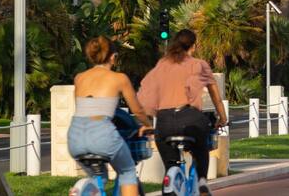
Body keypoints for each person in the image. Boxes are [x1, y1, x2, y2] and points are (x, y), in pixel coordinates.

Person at [139, 30, 228, 194]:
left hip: (164, 121)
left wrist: (148, 121)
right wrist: (222, 118)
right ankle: (202, 181)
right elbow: (216, 96)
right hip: (191, 118)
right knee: (201, 148)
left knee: (170, 164)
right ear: (193, 46)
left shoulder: (162, 64)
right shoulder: (199, 64)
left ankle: (170, 178)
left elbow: (146, 90)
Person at [68, 37, 151, 196]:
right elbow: (138, 110)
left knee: (99, 177)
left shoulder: (80, 78)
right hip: (102, 136)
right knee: (127, 172)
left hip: (75, 138)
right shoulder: (119, 78)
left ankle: (82, 190)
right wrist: (147, 124)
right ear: (113, 57)